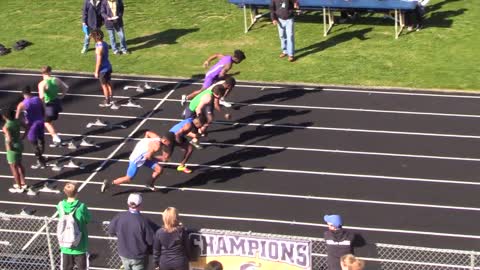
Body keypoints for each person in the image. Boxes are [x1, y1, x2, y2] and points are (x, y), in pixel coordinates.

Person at [101, 131, 173, 192]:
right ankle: (110, 183)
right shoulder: (156, 146)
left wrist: (144, 144)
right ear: (165, 140)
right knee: (128, 178)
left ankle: (149, 183)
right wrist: (160, 159)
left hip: (141, 157)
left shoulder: (156, 137)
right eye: (170, 142)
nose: (170, 144)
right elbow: (148, 157)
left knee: (159, 169)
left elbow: (147, 133)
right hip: (136, 160)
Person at [181, 50, 245, 107]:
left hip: (212, 74)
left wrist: (207, 61)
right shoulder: (229, 65)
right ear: (237, 59)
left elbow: (216, 55)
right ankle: (186, 97)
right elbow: (221, 75)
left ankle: (221, 99)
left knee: (230, 83)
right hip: (211, 76)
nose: (240, 62)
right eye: (240, 60)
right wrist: (229, 76)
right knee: (202, 91)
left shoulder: (227, 57)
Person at [109, 193, 156, 270]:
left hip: (123, 254)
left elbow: (111, 230)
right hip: (138, 256)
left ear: (128, 203)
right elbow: (150, 241)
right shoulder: (143, 221)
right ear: (140, 204)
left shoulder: (119, 216)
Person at [57, 182, 92, 270]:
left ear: (65, 192)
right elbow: (88, 219)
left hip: (65, 245)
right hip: (80, 245)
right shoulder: (81, 206)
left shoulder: (60, 206)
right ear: (76, 192)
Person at [2, 109, 35, 195]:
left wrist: (9, 147)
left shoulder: (6, 127)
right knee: (19, 164)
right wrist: (23, 137)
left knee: (13, 167)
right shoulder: (17, 121)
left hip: (13, 148)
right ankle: (23, 183)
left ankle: (19, 186)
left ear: (4, 116)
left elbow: (8, 138)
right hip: (19, 144)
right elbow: (27, 127)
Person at [15, 86, 47, 169]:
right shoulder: (37, 99)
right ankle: (41, 157)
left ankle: (40, 161)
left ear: (23, 94)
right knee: (41, 140)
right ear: (30, 92)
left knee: (34, 144)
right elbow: (43, 110)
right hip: (41, 122)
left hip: (32, 125)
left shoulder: (21, 104)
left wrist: (24, 124)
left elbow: (16, 118)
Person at [38, 66, 69, 146]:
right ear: (50, 72)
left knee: (46, 122)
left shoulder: (42, 84)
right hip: (57, 103)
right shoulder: (56, 80)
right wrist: (62, 96)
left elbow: (41, 97)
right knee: (50, 121)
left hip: (49, 105)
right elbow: (66, 87)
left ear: (42, 73)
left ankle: (56, 138)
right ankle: (54, 136)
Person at [91, 29, 115, 107]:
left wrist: (96, 71)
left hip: (103, 69)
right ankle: (111, 98)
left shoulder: (98, 48)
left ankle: (107, 101)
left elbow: (99, 61)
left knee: (104, 85)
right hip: (108, 66)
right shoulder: (104, 43)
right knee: (108, 83)